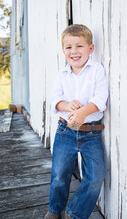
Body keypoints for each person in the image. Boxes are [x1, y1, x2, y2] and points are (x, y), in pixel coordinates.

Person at [44, 24, 108, 219]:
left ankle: (75, 213)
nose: (74, 51)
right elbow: (55, 100)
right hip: (66, 132)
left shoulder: (96, 70)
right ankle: (54, 210)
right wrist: (67, 106)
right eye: (69, 47)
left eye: (79, 46)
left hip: (91, 133)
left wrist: (83, 113)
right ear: (63, 51)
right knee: (59, 176)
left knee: (95, 176)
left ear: (91, 48)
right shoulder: (62, 75)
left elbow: (100, 98)